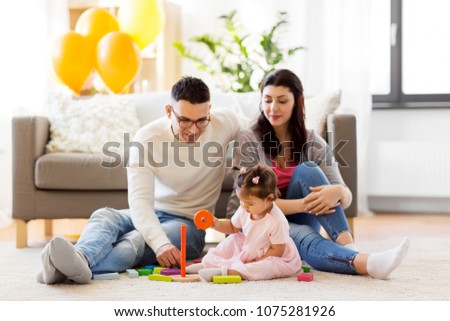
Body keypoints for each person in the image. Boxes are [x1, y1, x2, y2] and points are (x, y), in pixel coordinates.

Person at [37, 76, 242, 284]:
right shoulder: (147, 138)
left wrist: (251, 166)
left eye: (201, 121)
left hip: (188, 224)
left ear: (209, 111)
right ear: (169, 112)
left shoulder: (224, 121)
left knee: (136, 240)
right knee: (104, 216)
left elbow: (255, 131)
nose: (194, 130)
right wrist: (161, 243)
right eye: (185, 121)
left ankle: (61, 269)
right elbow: (140, 202)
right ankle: (80, 257)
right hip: (153, 211)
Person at [229, 69, 410, 279]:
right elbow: (250, 202)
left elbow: (346, 197)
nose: (273, 108)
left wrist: (337, 191)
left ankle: (350, 248)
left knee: (309, 170)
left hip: (298, 217)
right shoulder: (248, 139)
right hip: (258, 225)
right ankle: (366, 263)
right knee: (304, 235)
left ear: (297, 101)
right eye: (267, 100)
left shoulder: (311, 141)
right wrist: (308, 203)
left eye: (282, 101)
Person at [186, 164, 302, 282]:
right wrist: (215, 223)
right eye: (241, 201)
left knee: (268, 266)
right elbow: (232, 227)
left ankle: (232, 272)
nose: (244, 206)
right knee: (233, 239)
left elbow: (277, 250)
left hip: (272, 254)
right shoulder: (244, 208)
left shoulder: (277, 221)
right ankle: (209, 263)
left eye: (250, 204)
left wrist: (258, 260)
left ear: (269, 199)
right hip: (250, 246)